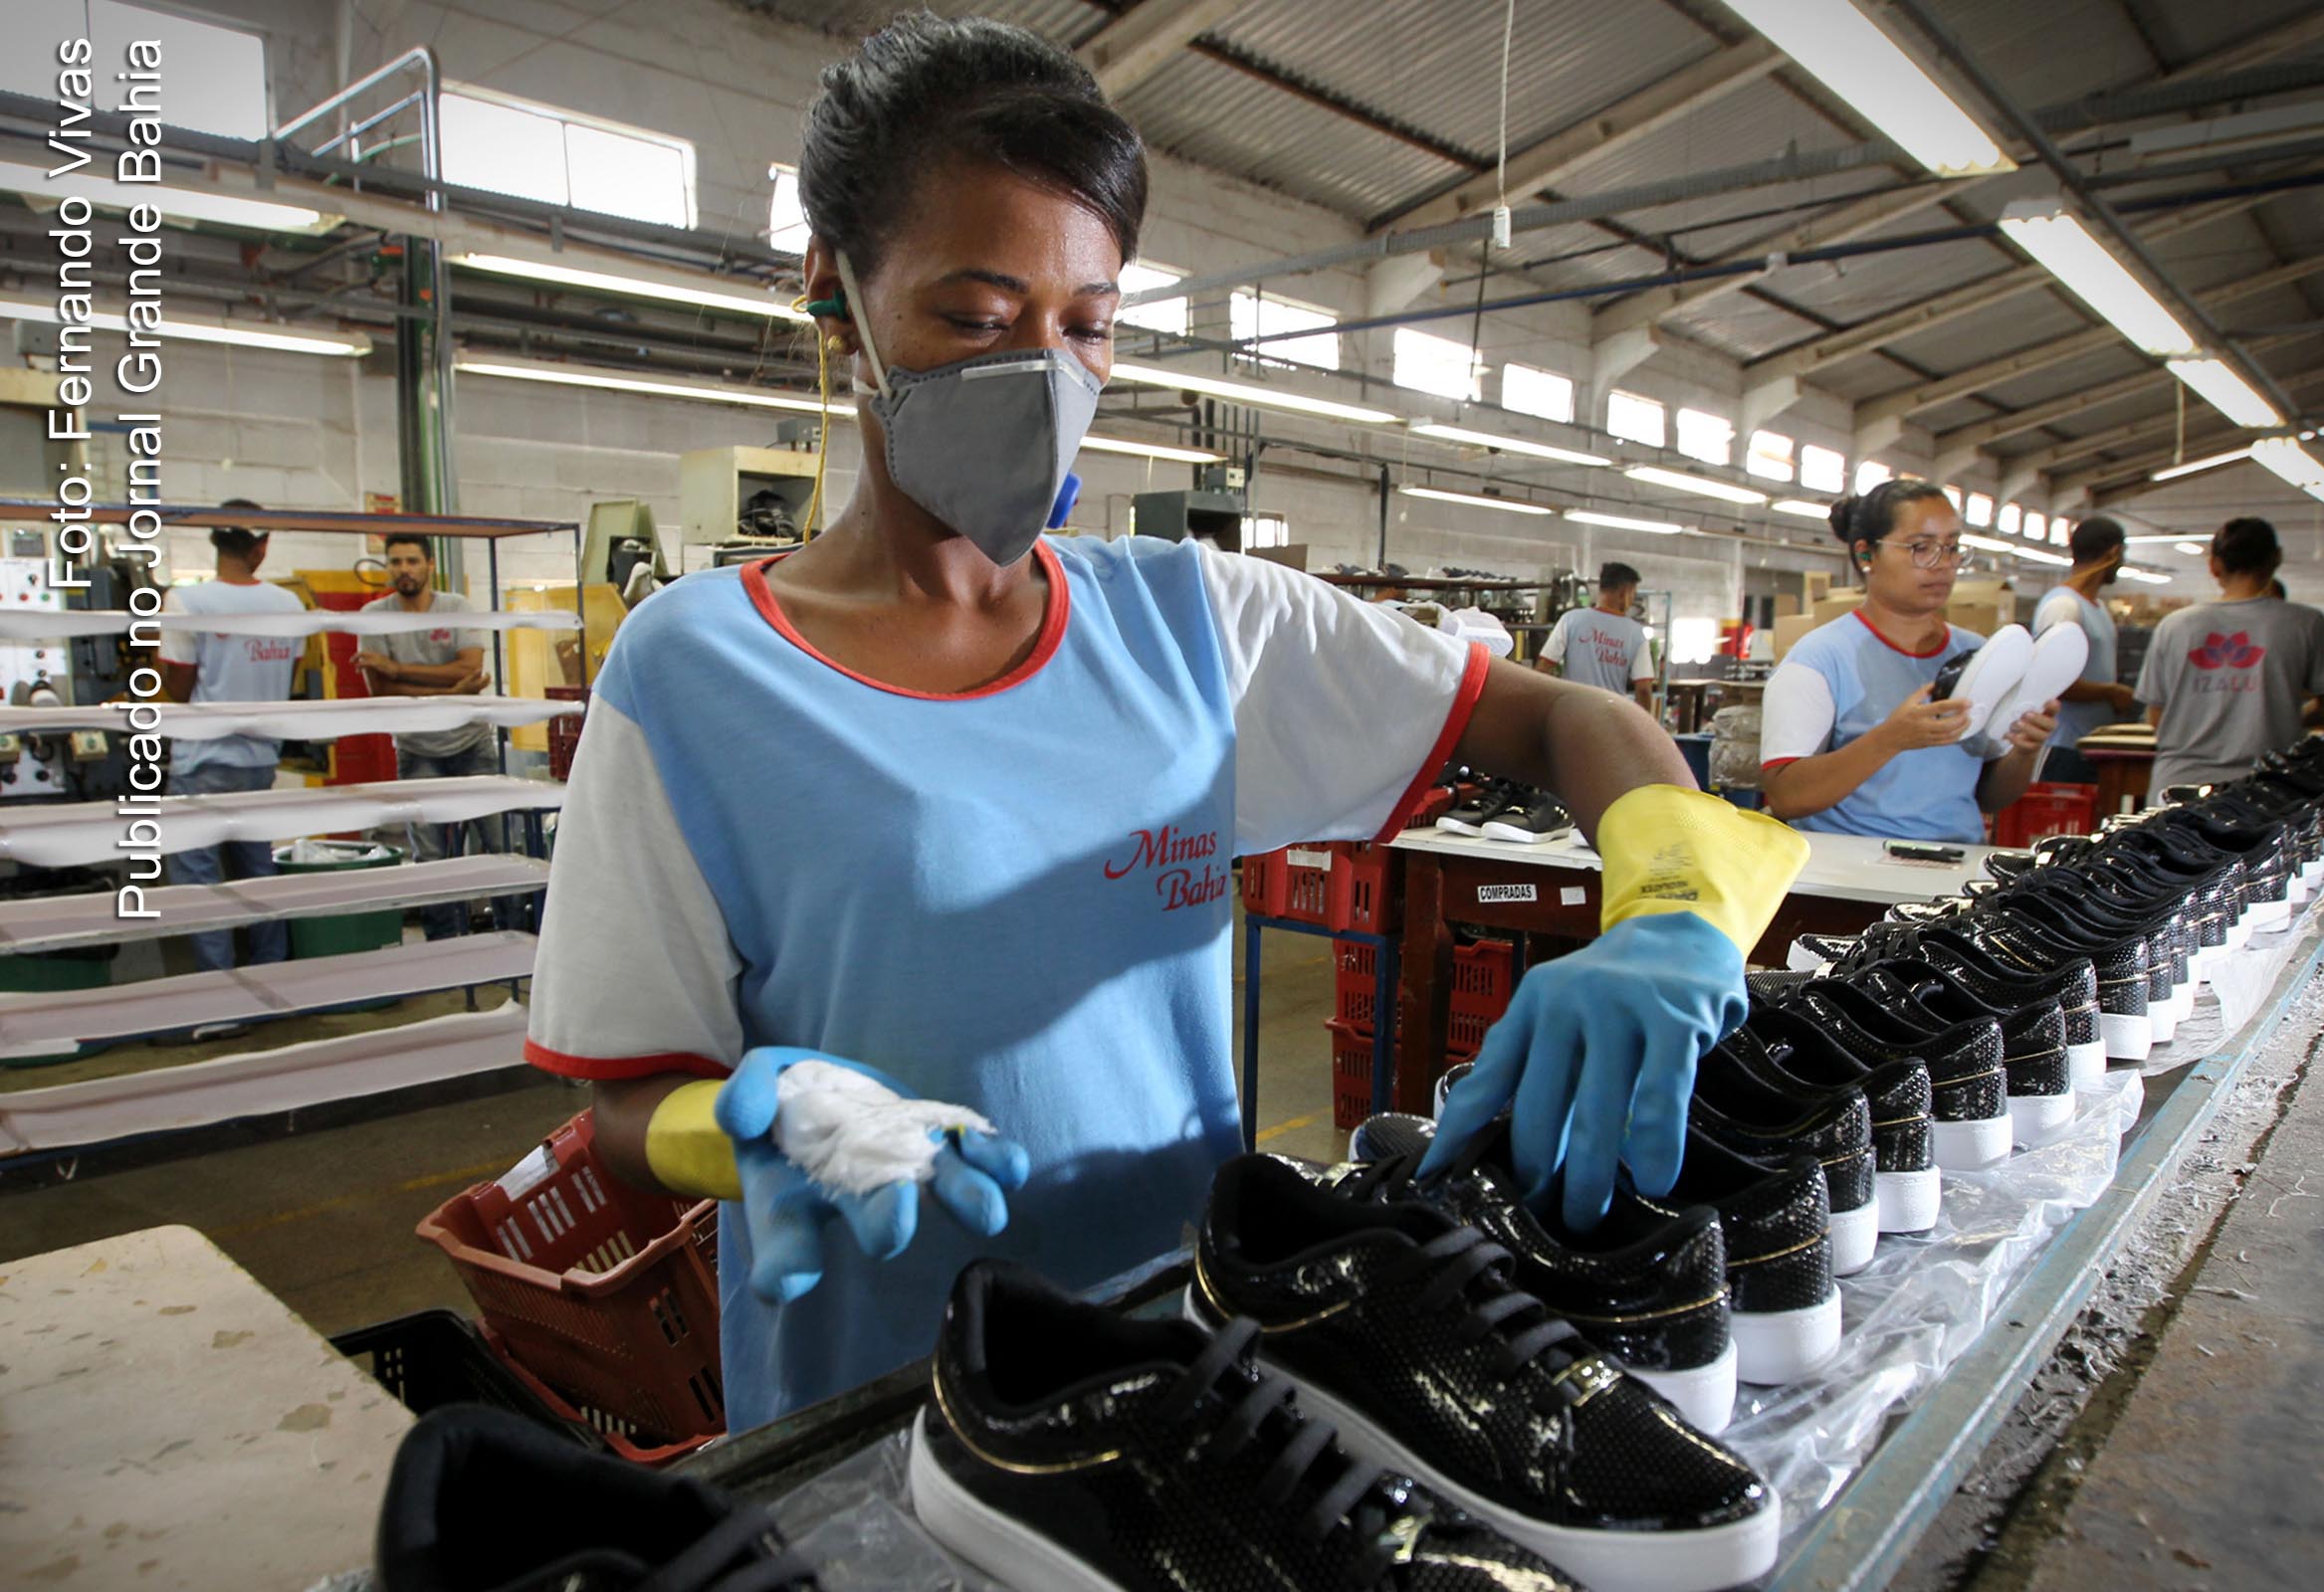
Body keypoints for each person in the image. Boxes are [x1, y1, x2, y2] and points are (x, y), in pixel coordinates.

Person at [524, 14, 1807, 1433]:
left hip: (1196, 1375)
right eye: (974, 316)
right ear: (834, 287)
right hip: (889, 1418)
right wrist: (746, 1126)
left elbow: (1563, 720)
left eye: (1084, 327)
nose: (1042, 375)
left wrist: (1673, 912)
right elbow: (629, 1122)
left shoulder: (1198, 624)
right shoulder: (694, 676)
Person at [1759, 479, 2060, 843]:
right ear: (1866, 554)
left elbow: (1987, 797)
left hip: (1955, 870)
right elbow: (1786, 797)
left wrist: (2025, 751)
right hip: (1853, 876)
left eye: (1951, 548)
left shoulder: (1981, 656)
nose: (1943, 564)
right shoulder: (1818, 660)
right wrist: (1891, 739)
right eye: (1921, 548)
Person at [157, 505, 306, 975]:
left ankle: (219, 999)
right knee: (258, 876)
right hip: (260, 760)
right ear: (261, 545)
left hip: (201, 759)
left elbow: (179, 688)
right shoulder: (290, 606)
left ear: (215, 543)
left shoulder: (187, 602)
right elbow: (291, 678)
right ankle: (271, 976)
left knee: (200, 885)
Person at [354, 532, 512, 938]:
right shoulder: (374, 616)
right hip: (416, 747)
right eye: (395, 562)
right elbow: (383, 693)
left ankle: (517, 932)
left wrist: (396, 667)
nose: (403, 569)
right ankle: (443, 943)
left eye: (411, 561)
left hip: (470, 743)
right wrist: (449, 693)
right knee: (430, 855)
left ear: (429, 566)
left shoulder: (455, 607)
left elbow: (469, 669)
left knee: (497, 842)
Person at [2136, 517, 2324, 791]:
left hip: (2179, 785)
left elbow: (2156, 717)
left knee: (2175, 837)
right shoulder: (2307, 623)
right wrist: (2285, 717)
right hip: (2267, 789)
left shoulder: (2174, 626)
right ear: (2276, 559)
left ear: (2214, 565)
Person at [2030, 514, 2135, 783]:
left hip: (2092, 745)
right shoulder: (2064, 606)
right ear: (2114, 552)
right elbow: (2051, 682)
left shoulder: (2096, 609)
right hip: (2064, 747)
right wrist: (2111, 692)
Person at [1538, 560, 1656, 709]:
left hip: (1571, 713)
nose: (1631, 601)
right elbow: (1644, 689)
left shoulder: (1571, 619)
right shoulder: (1636, 633)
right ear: (1624, 592)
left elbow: (1543, 669)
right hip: (1611, 716)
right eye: (1632, 594)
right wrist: (1644, 727)